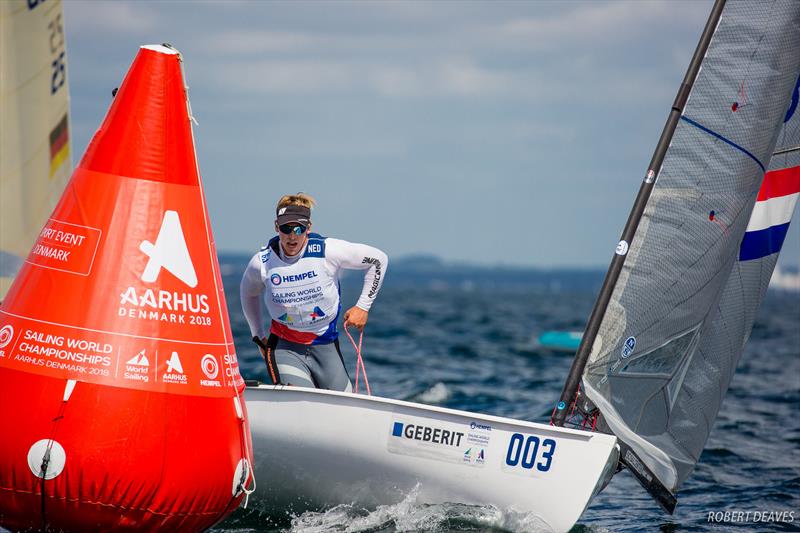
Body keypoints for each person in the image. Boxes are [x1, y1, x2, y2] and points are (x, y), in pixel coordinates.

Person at [240, 193, 388, 391]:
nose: (292, 236)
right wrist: (257, 335)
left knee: (343, 402)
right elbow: (248, 293)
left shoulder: (328, 250)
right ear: (277, 227)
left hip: (325, 344)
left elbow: (378, 259)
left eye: (299, 228)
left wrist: (363, 306)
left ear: (308, 228)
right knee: (300, 396)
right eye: (286, 228)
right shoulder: (262, 263)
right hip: (285, 346)